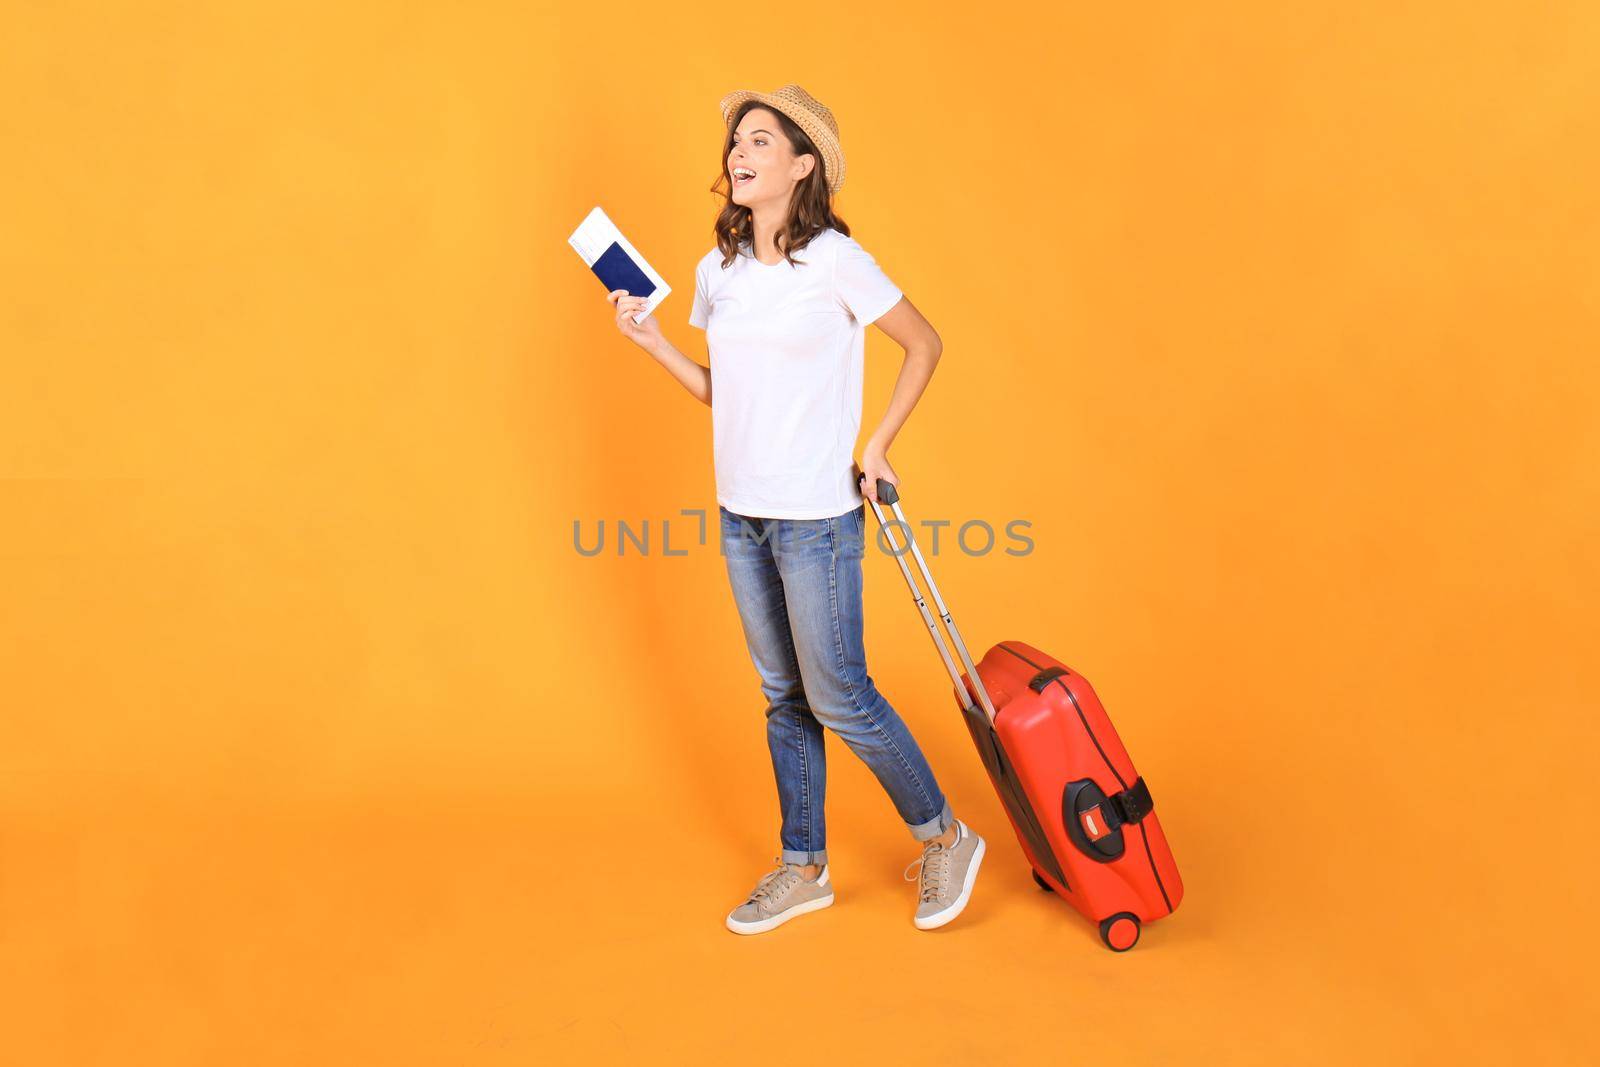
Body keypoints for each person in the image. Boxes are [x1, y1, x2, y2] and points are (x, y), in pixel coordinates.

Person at [608, 84, 984, 934]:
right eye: (736, 141)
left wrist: (879, 441)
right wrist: (655, 341)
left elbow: (923, 343)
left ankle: (946, 836)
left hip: (815, 516)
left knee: (838, 690)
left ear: (803, 165)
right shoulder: (720, 270)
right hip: (742, 511)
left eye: (761, 141)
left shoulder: (837, 263)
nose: (739, 153)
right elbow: (724, 394)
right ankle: (802, 865)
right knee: (784, 695)